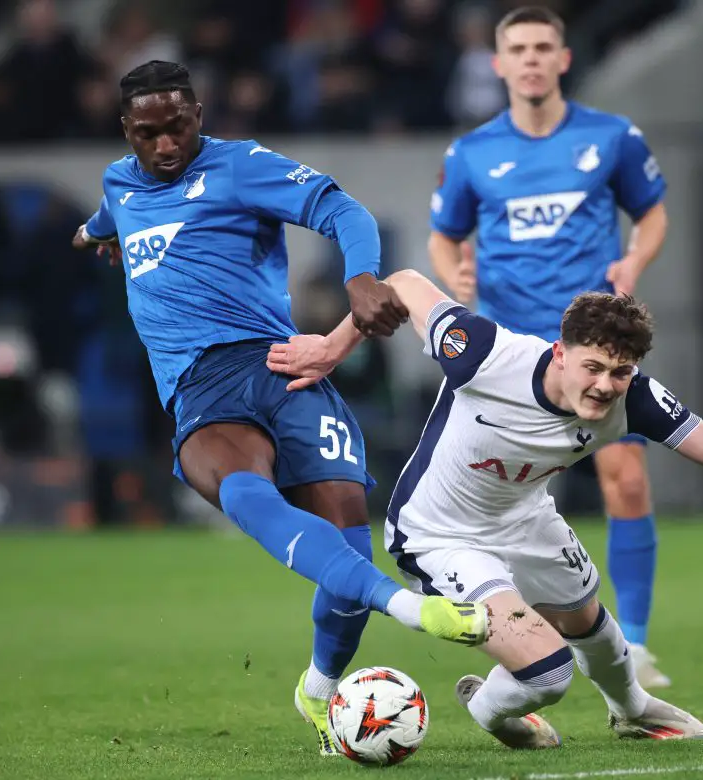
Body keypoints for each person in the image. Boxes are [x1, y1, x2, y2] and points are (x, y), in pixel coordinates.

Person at [69, 60, 489, 756]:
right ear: (127, 133)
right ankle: (410, 608)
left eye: (178, 127)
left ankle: (319, 692)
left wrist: (358, 278)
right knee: (248, 495)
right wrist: (92, 237)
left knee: (349, 541)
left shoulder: (240, 169)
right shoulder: (120, 182)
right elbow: (105, 218)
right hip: (201, 385)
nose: (166, 145)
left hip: (280, 364)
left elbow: (339, 208)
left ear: (199, 116)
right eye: (149, 134)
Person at [268, 269, 703, 748]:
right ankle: (487, 708)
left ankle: (632, 710)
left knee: (590, 624)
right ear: (559, 352)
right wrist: (332, 349)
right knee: (548, 675)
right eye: (593, 367)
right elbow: (407, 284)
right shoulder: (484, 353)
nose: (604, 386)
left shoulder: (635, 399)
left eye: (620, 373)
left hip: (525, 518)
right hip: (438, 535)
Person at [427, 5, 673, 686]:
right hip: (512, 358)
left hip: (592, 349)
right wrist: (456, 277)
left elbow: (652, 213)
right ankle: (525, 644)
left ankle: (639, 645)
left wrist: (633, 264)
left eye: (543, 47)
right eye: (518, 49)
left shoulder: (612, 137)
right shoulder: (471, 153)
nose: (531, 59)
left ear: (564, 59)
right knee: (510, 506)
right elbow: (442, 237)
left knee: (625, 479)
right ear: (499, 64)